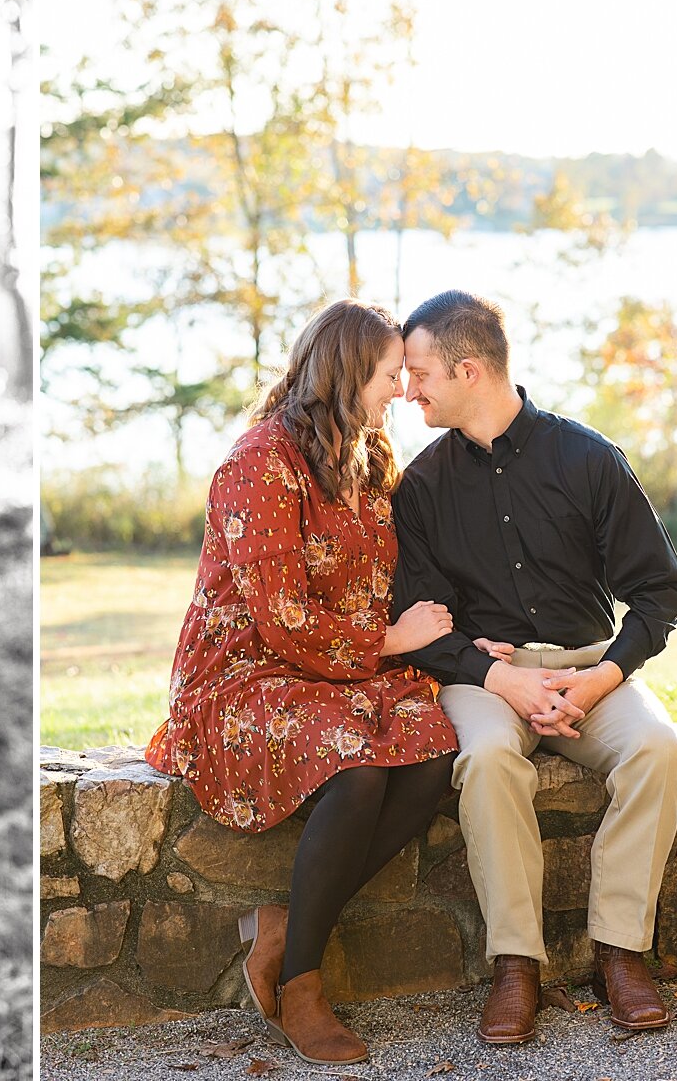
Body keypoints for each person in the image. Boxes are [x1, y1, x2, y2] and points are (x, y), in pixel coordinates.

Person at [145, 299, 471, 1066]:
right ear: (349, 372)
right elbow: (282, 617)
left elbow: (389, 577)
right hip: (243, 675)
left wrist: (458, 632)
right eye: (392, 375)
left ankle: (287, 922)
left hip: (339, 669)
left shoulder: (370, 457)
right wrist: (392, 640)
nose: (400, 390)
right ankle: (301, 986)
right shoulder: (258, 463)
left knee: (430, 750)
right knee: (356, 770)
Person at [391, 289, 677, 1044]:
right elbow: (420, 623)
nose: (407, 389)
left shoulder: (588, 457)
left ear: (469, 369)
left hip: (591, 668)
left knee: (659, 750)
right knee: (489, 760)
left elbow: (659, 591)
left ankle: (620, 954)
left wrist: (601, 677)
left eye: (419, 372)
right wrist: (499, 678)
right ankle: (515, 967)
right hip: (487, 682)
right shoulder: (422, 487)